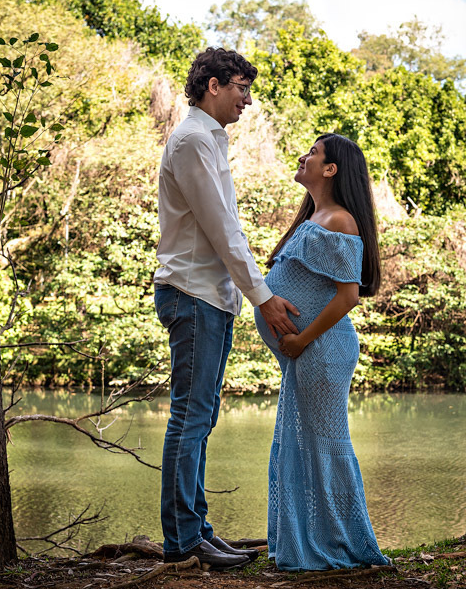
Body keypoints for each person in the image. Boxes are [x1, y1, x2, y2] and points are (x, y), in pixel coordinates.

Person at [153, 47, 300, 570]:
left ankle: (197, 531)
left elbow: (225, 229)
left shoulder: (208, 139)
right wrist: (264, 298)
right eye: (241, 88)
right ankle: (183, 542)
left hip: (209, 297)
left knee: (201, 416)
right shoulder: (193, 140)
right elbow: (223, 232)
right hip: (192, 294)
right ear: (213, 86)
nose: (248, 100)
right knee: (190, 418)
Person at [254, 133, 389, 571]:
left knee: (325, 447)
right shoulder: (316, 217)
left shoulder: (341, 221)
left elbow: (348, 296)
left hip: (322, 350)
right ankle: (303, 542)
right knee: (299, 445)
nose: (304, 156)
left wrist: (301, 339)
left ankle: (343, 543)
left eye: (313, 153)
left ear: (331, 169)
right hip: (307, 352)